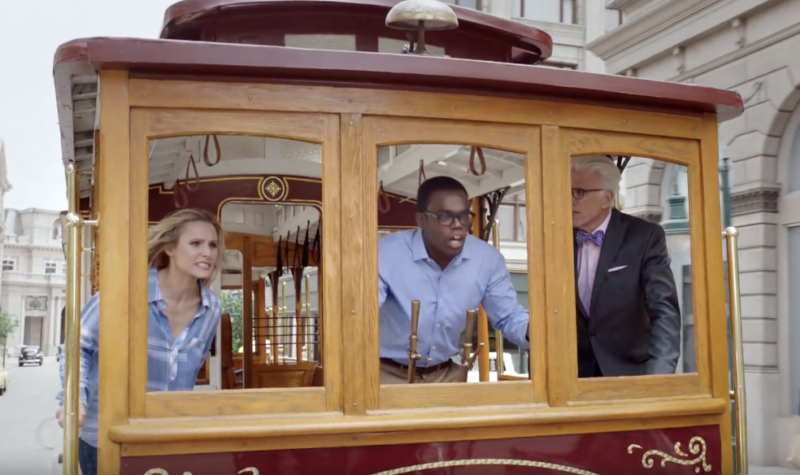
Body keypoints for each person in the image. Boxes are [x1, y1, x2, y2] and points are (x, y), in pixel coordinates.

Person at [55, 208, 224, 475]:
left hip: (168, 437)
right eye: (196, 244)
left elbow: (189, 373)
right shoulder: (126, 290)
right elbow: (77, 346)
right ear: (169, 248)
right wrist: (76, 399)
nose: (208, 252)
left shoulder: (211, 307)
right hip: (107, 434)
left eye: (213, 245)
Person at [377, 176, 529, 384]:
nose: (458, 225)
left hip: (446, 375)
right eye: (445, 217)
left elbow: (508, 316)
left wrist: (533, 331)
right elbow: (361, 314)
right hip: (386, 374)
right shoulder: (385, 253)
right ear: (421, 220)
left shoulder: (487, 259)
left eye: (463, 216)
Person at [571, 155, 681, 378]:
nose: (569, 200)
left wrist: (658, 378)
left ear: (607, 198)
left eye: (579, 192)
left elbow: (664, 311)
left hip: (630, 379)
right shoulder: (554, 236)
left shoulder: (644, 237)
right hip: (571, 382)